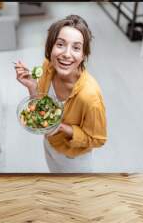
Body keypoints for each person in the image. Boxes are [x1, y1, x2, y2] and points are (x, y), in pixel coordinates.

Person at [15, 15, 107, 173]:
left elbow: (98, 140)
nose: (66, 54)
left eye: (76, 48)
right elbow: (40, 106)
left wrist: (62, 128)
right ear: (50, 47)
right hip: (50, 145)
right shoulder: (48, 67)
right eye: (60, 44)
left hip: (74, 160)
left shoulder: (90, 97)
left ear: (84, 55)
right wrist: (31, 86)